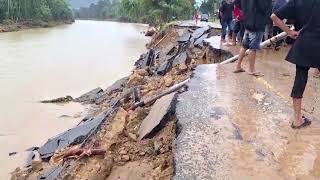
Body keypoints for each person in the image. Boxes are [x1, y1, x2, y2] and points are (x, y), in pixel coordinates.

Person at [271, 0, 320, 129]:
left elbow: (274, 17)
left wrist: (289, 32)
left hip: (304, 43)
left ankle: (297, 119)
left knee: (300, 79)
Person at [234, 0, 272, 76]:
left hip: (247, 21)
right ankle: (251, 70)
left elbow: (237, 2)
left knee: (244, 45)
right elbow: (263, 7)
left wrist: (246, 9)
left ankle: (237, 66)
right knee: (253, 47)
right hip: (257, 23)